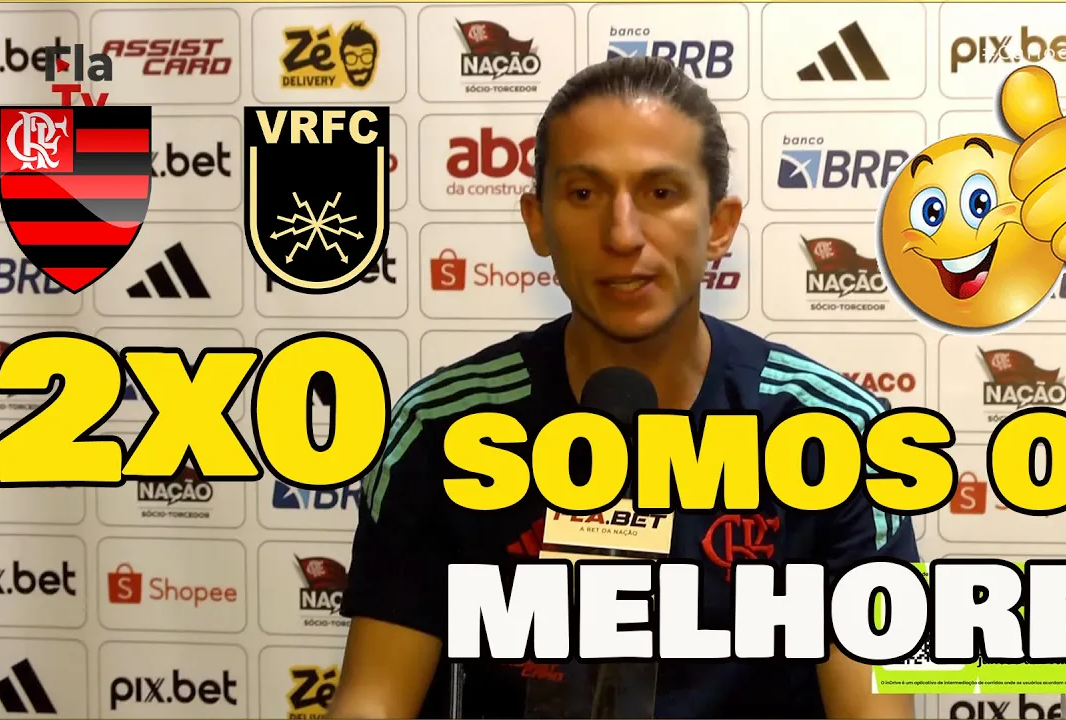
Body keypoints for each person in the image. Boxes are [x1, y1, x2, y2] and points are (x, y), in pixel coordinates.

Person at [329, 56, 921, 720]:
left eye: (660, 193)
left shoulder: (836, 436)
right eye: (584, 194)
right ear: (537, 221)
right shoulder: (441, 428)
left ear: (719, 225)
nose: (622, 235)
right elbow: (373, 701)